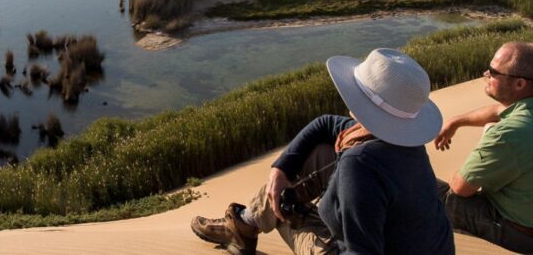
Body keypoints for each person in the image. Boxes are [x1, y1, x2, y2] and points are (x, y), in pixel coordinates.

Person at [190, 48, 454, 255]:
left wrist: (282, 187)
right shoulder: (401, 144)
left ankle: (242, 226)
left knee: (278, 201)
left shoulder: (359, 164)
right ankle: (244, 224)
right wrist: (281, 167)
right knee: (317, 153)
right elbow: (326, 123)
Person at [434, 42, 533, 252]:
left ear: (519, 84)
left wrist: (486, 140)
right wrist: (456, 121)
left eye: (494, 72)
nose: (485, 73)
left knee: (431, 189)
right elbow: (499, 111)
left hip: (523, 235)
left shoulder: (509, 133)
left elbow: (460, 189)